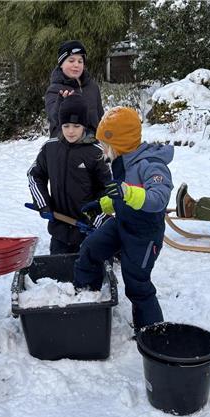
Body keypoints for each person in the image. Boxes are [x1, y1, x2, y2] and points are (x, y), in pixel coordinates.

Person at [74, 107, 174, 333]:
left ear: (118, 142)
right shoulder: (121, 161)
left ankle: (151, 332)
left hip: (145, 235)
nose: (101, 148)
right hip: (122, 224)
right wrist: (102, 205)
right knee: (90, 248)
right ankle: (86, 299)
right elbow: (120, 195)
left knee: (137, 284)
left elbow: (158, 199)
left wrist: (127, 192)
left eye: (104, 144)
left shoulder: (152, 164)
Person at [27, 94, 112, 254]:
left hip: (90, 229)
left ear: (84, 126)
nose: (71, 131)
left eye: (76, 126)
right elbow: (35, 175)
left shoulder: (96, 152)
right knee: (58, 271)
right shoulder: (50, 148)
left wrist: (97, 215)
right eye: (66, 126)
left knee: (91, 270)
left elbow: (109, 187)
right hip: (61, 228)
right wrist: (43, 203)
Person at [44, 40, 104, 137]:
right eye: (71, 60)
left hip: (92, 145)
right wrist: (61, 102)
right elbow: (53, 117)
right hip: (64, 147)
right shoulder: (55, 89)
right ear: (61, 64)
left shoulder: (93, 87)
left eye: (80, 61)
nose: (76, 65)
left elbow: (101, 119)